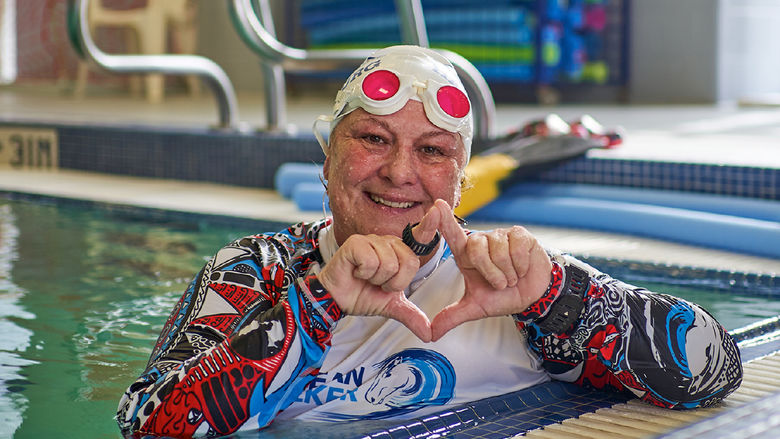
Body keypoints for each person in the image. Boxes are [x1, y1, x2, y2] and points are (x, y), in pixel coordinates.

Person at [116, 45, 742, 438]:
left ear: (462, 182)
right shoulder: (254, 272)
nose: (399, 172)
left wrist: (558, 296)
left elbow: (714, 371)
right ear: (326, 160)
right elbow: (147, 425)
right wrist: (316, 305)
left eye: (433, 151)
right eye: (372, 139)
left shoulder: (513, 284)